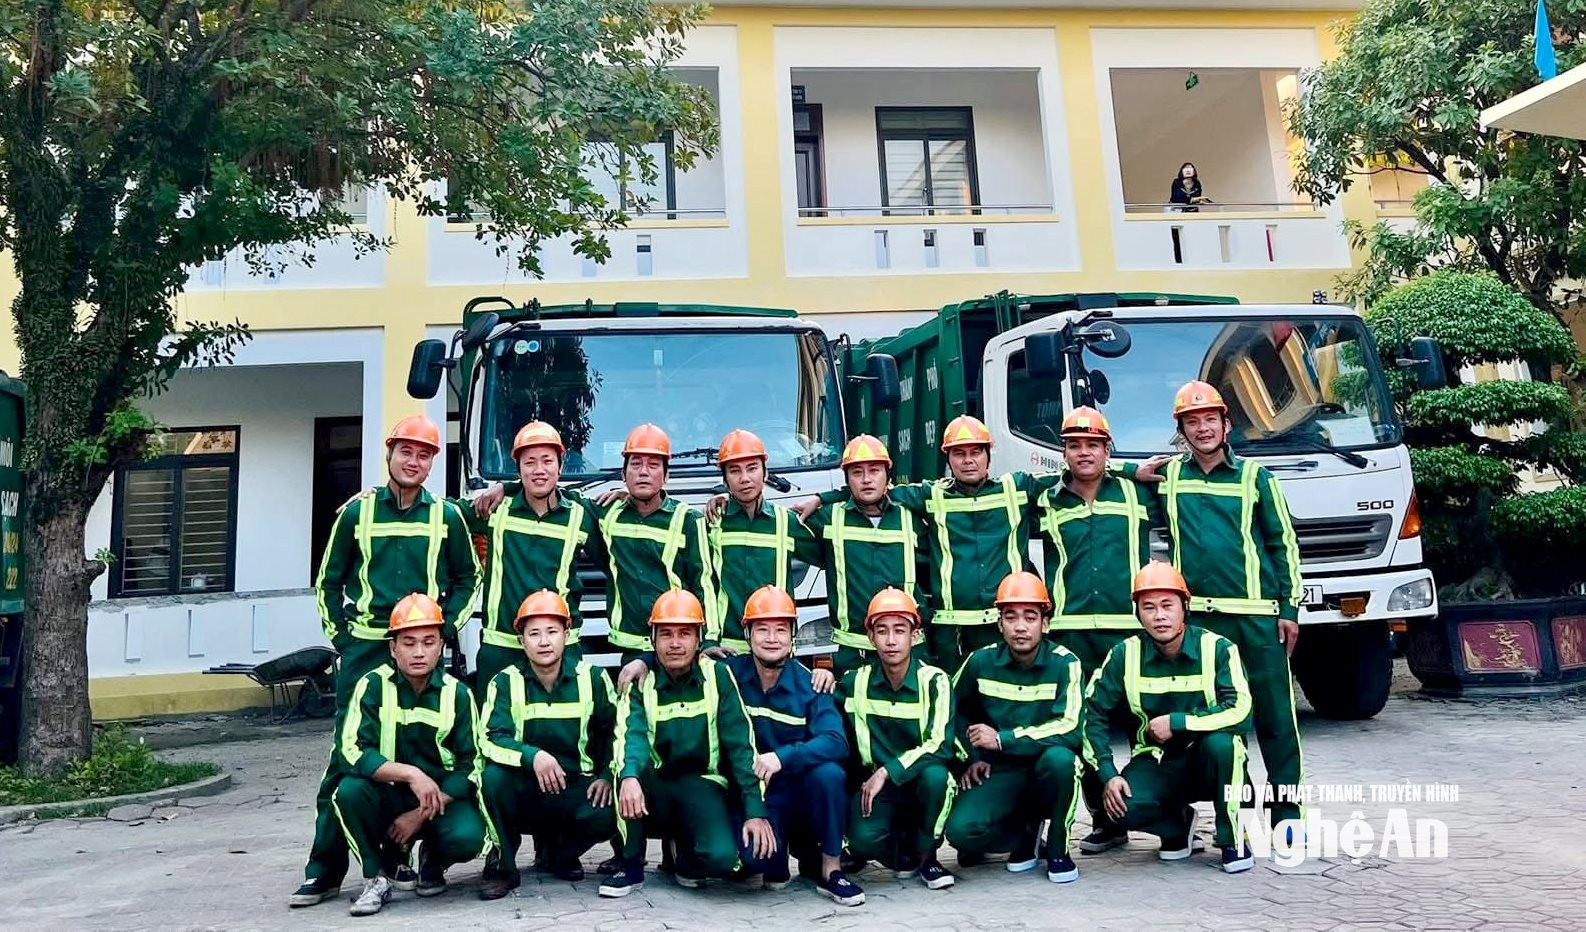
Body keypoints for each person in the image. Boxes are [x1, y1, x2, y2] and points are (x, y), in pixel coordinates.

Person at [292, 415, 482, 908]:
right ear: (390, 453)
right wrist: (342, 638)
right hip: (366, 647)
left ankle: (408, 851)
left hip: (421, 644)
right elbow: (328, 581)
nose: (413, 461)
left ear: (433, 462)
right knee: (345, 763)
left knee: (425, 744)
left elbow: (469, 577)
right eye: (406, 451)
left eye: (424, 454)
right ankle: (324, 871)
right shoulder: (356, 514)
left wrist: (444, 628)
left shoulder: (447, 516)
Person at [617, 586, 864, 906]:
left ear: (793, 635)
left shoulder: (811, 683)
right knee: (752, 862)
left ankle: (829, 868)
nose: (772, 639)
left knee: (829, 775)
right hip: (753, 791)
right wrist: (645, 660)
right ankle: (736, 852)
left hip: (798, 788)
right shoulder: (728, 673)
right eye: (762, 629)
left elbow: (836, 742)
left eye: (780, 630)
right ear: (747, 633)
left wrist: (782, 757)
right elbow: (681, 653)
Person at [801, 415, 1058, 672]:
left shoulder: (1015, 489)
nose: (968, 460)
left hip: (1002, 623)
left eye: (976, 452)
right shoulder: (933, 495)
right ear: (948, 458)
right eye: (959, 453)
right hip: (953, 631)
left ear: (988, 456)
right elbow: (875, 490)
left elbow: (1069, 476)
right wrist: (823, 497)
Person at [1161, 380, 1305, 831]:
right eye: (1192, 421)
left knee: (1276, 719)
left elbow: (1283, 545)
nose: (1202, 428)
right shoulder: (1169, 478)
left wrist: (1289, 609)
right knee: (1218, 722)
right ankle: (1234, 816)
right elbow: (1110, 476)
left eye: (1210, 419)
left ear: (1227, 424)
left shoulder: (1256, 478)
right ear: (1182, 430)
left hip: (1258, 619)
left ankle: (1287, 814)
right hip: (1201, 625)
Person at [1030, 405, 1163, 855]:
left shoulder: (1138, 493)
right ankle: (1106, 820)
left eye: (1093, 444)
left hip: (1129, 630)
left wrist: (1127, 469)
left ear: (1108, 450)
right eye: (1074, 445)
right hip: (1071, 633)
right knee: (1085, 726)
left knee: (1143, 722)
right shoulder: (1046, 500)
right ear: (1063, 453)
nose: (1083, 453)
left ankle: (1163, 813)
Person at [1082, 563, 1255, 873]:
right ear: (1137, 613)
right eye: (1148, 607)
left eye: (1167, 605)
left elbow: (1241, 709)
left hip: (1207, 760)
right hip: (1155, 762)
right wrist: (1109, 774)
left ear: (1185, 606)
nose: (1159, 615)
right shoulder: (1124, 655)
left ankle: (1234, 838)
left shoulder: (1217, 648)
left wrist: (1178, 722)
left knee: (1224, 745)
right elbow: (1090, 714)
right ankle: (1178, 825)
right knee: (1121, 809)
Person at [601, 590, 775, 898]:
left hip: (702, 785)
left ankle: (681, 854)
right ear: (653, 639)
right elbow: (631, 736)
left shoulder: (718, 676)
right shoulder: (641, 680)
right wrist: (629, 775)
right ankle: (630, 864)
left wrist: (755, 810)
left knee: (721, 858)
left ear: (698, 640)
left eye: (685, 634)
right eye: (666, 634)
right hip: (654, 783)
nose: (675, 643)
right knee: (625, 772)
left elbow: (741, 747)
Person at [328, 593, 491, 916]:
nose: (419, 652)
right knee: (348, 792)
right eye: (408, 642)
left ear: (441, 646)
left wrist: (420, 814)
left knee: (470, 836)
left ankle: (434, 860)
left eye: (428, 642)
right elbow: (351, 750)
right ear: (393, 648)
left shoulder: (458, 694)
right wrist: (411, 774)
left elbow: (473, 764)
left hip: (438, 800)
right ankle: (377, 875)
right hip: (388, 795)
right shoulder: (372, 686)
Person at [945, 572, 1085, 884]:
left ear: (1045, 623)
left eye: (1030, 617)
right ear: (999, 624)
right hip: (1000, 770)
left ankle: (1059, 850)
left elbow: (1071, 727)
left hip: (1044, 768)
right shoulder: (980, 661)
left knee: (1063, 760)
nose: (1020, 626)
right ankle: (1025, 834)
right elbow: (948, 712)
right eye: (1011, 617)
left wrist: (1002, 739)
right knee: (961, 832)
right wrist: (971, 757)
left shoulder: (1066, 663)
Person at [477, 590, 618, 899]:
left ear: (567, 635)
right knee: (492, 779)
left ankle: (560, 853)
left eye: (552, 632)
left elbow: (616, 732)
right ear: (521, 640)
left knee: (612, 806)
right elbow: (489, 738)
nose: (544, 641)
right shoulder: (505, 682)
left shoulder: (593, 678)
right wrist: (534, 756)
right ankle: (503, 866)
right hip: (525, 788)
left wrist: (607, 775)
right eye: (534, 634)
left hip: (573, 787)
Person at [468, 421, 604, 694]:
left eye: (547, 461)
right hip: (502, 647)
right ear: (518, 469)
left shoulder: (580, 515)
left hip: (561, 648)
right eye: (529, 462)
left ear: (560, 467)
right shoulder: (494, 509)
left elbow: (620, 557)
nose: (539, 470)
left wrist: (625, 495)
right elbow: (438, 513)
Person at [837, 588, 957, 890]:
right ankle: (902, 854)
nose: (891, 640)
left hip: (918, 782)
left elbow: (940, 745)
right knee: (863, 840)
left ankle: (928, 857)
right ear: (870, 638)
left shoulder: (935, 681)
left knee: (937, 778)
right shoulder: (855, 681)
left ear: (915, 636)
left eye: (900, 631)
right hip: (878, 791)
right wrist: (821, 679)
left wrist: (887, 771)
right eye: (882, 631)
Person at [804, 435, 929, 678]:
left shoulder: (909, 519)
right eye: (857, 473)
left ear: (888, 476)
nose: (866, 479)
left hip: (907, 649)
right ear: (847, 480)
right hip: (853, 652)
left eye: (874, 470)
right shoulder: (829, 518)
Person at [596, 424, 718, 659]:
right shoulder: (606, 514)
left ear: (666, 475)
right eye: (635, 465)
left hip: (676, 648)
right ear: (623, 474)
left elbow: (705, 584)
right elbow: (561, 498)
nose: (643, 472)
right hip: (629, 648)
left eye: (653, 465)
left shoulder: (689, 521)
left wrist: (709, 639)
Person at [707, 429, 821, 655]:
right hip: (727, 650)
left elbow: (837, 557)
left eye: (752, 468)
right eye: (735, 471)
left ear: (765, 473)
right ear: (725, 480)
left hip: (775, 651)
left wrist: (822, 498)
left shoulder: (787, 522)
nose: (745, 478)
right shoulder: (712, 523)